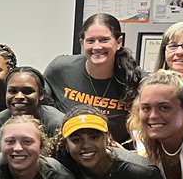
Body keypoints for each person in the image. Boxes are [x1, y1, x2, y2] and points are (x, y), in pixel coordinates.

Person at [44, 13, 143, 145]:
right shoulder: (60, 69)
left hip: (116, 157)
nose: (97, 47)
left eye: (104, 40)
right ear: (82, 43)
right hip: (68, 154)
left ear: (119, 42)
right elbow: (42, 108)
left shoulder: (138, 80)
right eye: (90, 41)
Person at [0, 67, 66, 162]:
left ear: (41, 94)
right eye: (12, 91)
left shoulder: (58, 124)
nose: (19, 96)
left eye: (27, 91)